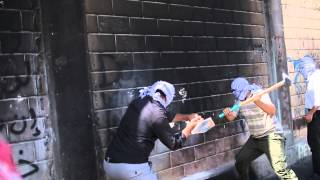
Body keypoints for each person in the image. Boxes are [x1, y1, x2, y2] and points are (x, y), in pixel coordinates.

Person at [104, 81, 203, 180]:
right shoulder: (157, 113)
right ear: (167, 97)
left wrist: (187, 117)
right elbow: (174, 143)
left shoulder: (140, 102)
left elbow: (165, 116)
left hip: (110, 163)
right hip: (131, 168)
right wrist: (190, 126)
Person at [223, 77, 297, 180]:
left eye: (243, 94)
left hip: (272, 135)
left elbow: (272, 111)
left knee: (280, 169)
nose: (242, 97)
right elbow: (231, 117)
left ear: (247, 89)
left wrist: (258, 102)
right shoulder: (238, 101)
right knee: (240, 161)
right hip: (255, 138)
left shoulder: (260, 93)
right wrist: (227, 112)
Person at [294, 56, 320, 180]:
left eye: (302, 67)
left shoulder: (315, 78)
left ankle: (317, 172)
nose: (301, 70)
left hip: (317, 114)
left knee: (315, 143)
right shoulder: (314, 76)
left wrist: (311, 113)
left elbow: (318, 99)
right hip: (316, 113)